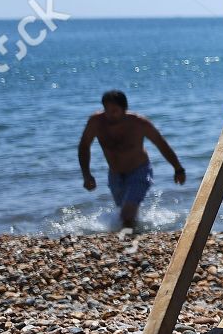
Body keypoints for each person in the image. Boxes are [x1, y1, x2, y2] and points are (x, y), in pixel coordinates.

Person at [79, 90, 186, 229]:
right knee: (123, 212)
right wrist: (86, 175)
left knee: (127, 215)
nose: (109, 115)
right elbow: (84, 146)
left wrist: (178, 168)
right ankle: (134, 233)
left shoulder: (140, 124)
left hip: (139, 171)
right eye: (106, 110)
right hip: (115, 174)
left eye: (114, 111)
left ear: (124, 109)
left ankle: (129, 243)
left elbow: (161, 144)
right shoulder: (96, 122)